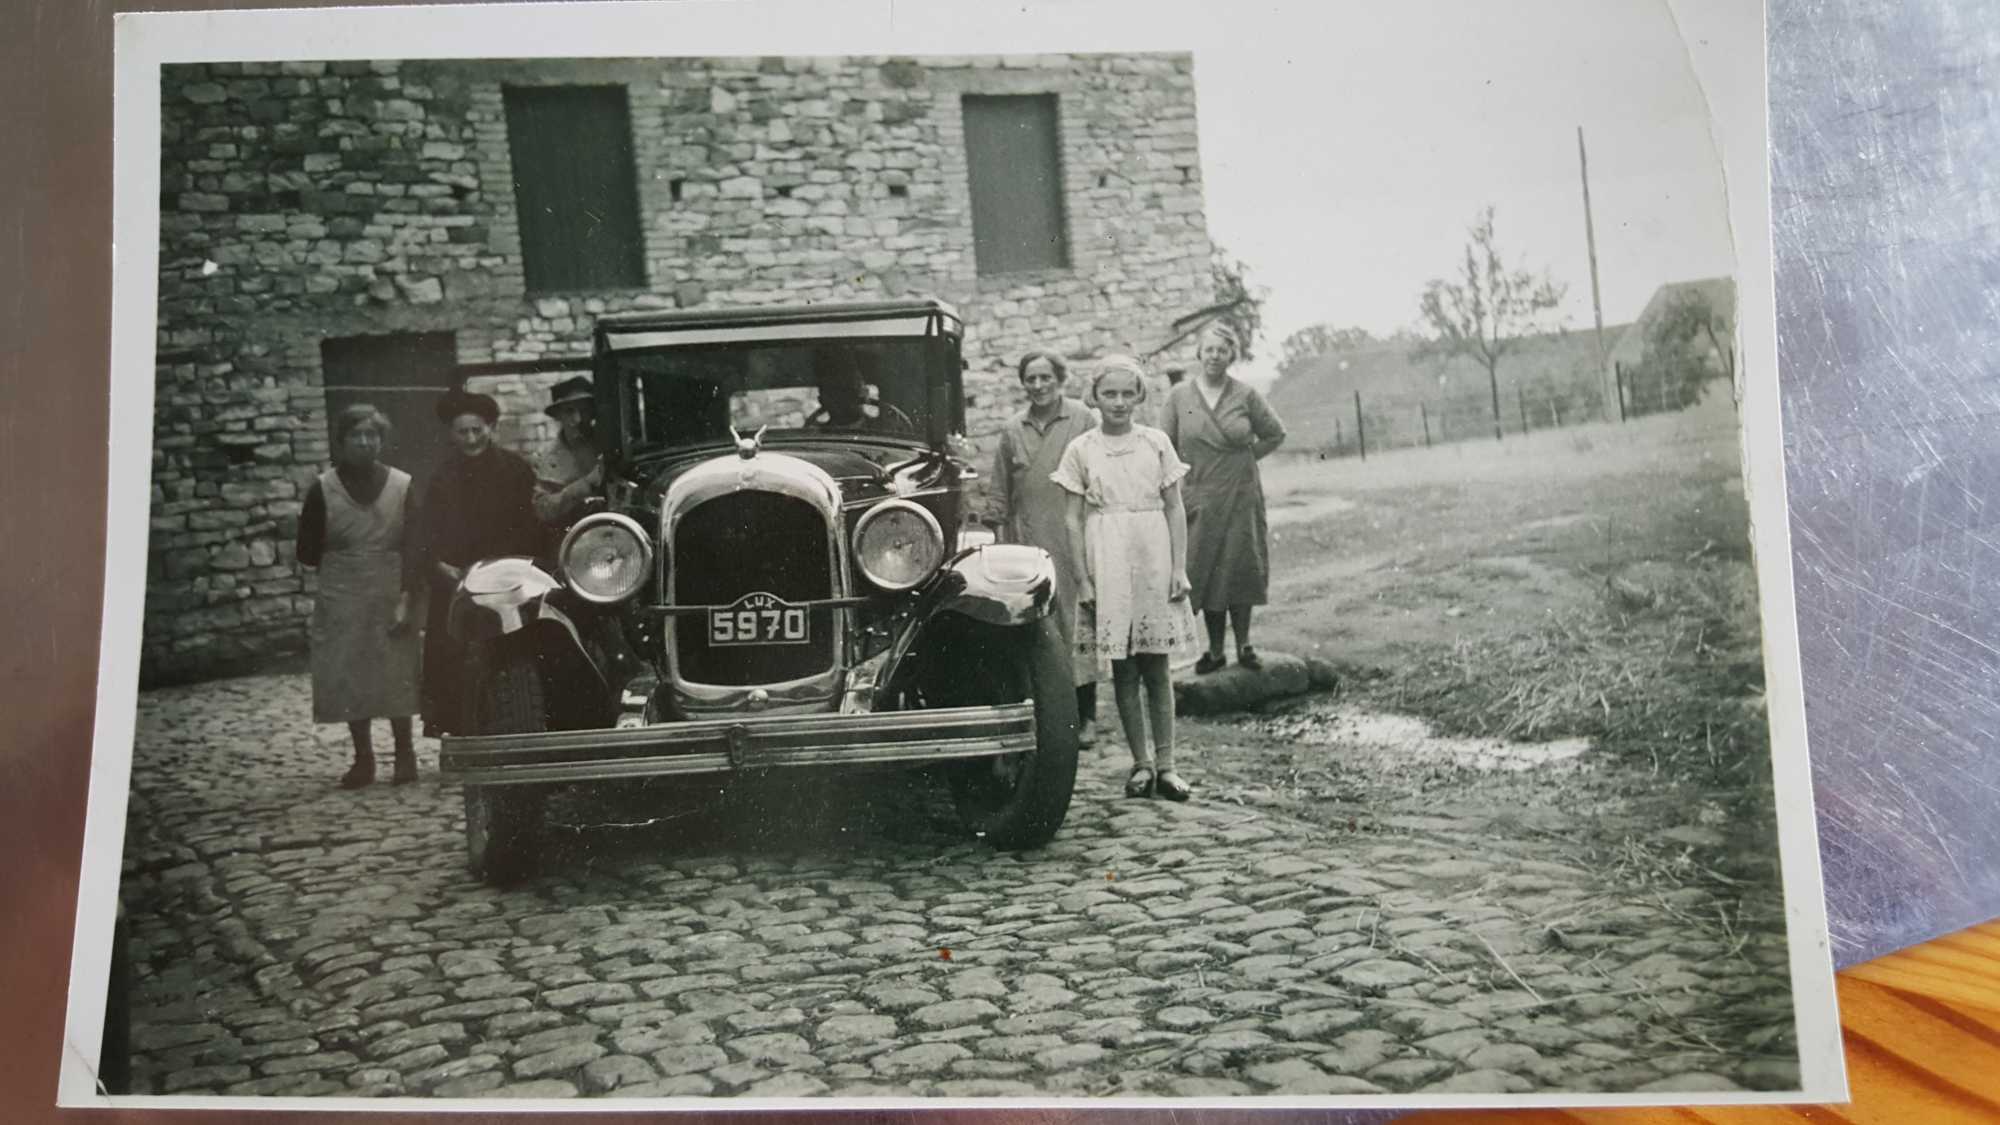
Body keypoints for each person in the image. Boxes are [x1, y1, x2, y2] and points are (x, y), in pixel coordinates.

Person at [1053, 355, 1199, 801]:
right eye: (1109, 394)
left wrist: (1178, 568)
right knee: (1124, 666)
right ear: (1094, 397)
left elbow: (1174, 507)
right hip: (1108, 556)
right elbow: (1072, 519)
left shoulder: (1155, 442)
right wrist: (1084, 579)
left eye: (1127, 394)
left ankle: (1168, 766)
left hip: (1153, 553)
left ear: (1139, 396)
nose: (1118, 402)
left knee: (1157, 664)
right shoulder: (1082, 449)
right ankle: (1141, 764)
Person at [296, 404, 422, 787]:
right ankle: (363, 759)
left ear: (382, 441)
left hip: (391, 589)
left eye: (372, 435)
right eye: (356, 435)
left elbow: (416, 546)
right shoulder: (323, 489)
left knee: (396, 671)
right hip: (342, 593)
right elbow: (306, 551)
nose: (364, 442)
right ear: (341, 441)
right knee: (350, 672)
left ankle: (405, 755)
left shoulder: (402, 485)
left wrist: (407, 597)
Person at [412, 388, 542, 738]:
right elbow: (428, 534)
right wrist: (439, 566)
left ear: (491, 428)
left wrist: (509, 566)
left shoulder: (515, 470)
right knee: (454, 657)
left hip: (508, 577)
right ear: (451, 435)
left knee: (513, 655)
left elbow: (530, 526)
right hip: (457, 582)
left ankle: (521, 724)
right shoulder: (443, 478)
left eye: (477, 430)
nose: (470, 439)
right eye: (462, 432)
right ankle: (462, 731)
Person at [1163, 322, 1288, 674]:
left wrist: (1245, 460)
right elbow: (1164, 445)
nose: (1215, 356)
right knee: (1207, 570)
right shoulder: (1180, 397)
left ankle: (1245, 645)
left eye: (1222, 350)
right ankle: (1215, 650)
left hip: (1240, 495)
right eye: (1209, 350)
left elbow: (1275, 433)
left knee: (1240, 567)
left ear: (1232, 355)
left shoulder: (1245, 395)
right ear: (1199, 353)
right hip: (1200, 495)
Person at [993, 350, 1100, 745]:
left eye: (1045, 378)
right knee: (1038, 627)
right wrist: (1002, 544)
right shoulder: (1012, 430)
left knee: (1077, 625)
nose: (1038, 386)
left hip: (1075, 540)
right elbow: (999, 494)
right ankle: (1043, 716)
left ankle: (1086, 716)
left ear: (1060, 379)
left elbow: (1099, 477)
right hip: (1029, 543)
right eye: (1030, 379)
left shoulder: (1082, 419)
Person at [533, 375, 603, 541]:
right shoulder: (545, 457)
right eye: (570, 411)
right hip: (571, 540)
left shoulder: (608, 445)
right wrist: (585, 484)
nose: (578, 419)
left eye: (584, 411)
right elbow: (542, 509)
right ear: (558, 415)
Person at [804, 348, 917, 435]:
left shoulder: (885, 430)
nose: (844, 398)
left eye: (850, 389)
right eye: (834, 391)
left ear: (865, 393)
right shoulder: (814, 436)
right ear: (822, 399)